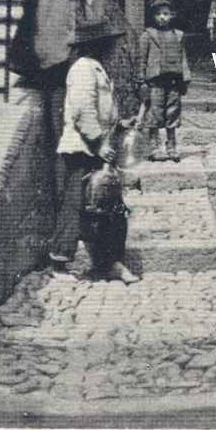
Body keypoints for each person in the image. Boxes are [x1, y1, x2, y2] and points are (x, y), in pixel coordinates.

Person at [53, 17, 139, 284]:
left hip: (96, 146)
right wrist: (99, 142)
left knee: (109, 207)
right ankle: (60, 261)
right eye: (110, 44)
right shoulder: (82, 69)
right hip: (82, 148)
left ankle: (108, 261)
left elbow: (99, 108)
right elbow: (82, 110)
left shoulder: (95, 68)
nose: (114, 49)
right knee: (76, 205)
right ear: (99, 45)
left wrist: (119, 123)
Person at [140, 0, 191, 163]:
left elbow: (183, 58)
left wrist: (185, 79)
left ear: (172, 15)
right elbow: (142, 59)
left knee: (173, 113)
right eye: (158, 14)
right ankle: (154, 147)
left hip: (174, 81)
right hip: (155, 82)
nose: (162, 17)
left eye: (166, 13)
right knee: (154, 114)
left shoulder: (178, 35)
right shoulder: (148, 35)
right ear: (153, 16)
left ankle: (172, 147)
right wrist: (141, 81)